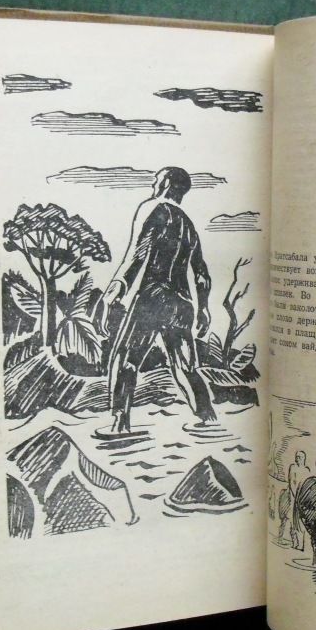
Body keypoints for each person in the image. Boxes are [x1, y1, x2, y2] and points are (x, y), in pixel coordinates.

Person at [95, 166, 216, 434]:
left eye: (157, 179)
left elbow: (136, 256)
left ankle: (119, 424)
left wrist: (112, 292)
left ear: (168, 184)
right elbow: (202, 274)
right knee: (185, 366)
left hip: (153, 298)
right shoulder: (189, 225)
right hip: (182, 303)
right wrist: (204, 308)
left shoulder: (153, 208)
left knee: (125, 359)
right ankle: (209, 420)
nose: (153, 183)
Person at [287, 450, 312, 550]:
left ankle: (302, 545)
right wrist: (296, 497)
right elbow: (292, 483)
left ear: (304, 458)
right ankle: (295, 543)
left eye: (300, 457)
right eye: (297, 457)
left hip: (303, 499)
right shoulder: (293, 467)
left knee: (303, 521)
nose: (298, 459)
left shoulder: (307, 470)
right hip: (294, 497)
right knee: (294, 521)